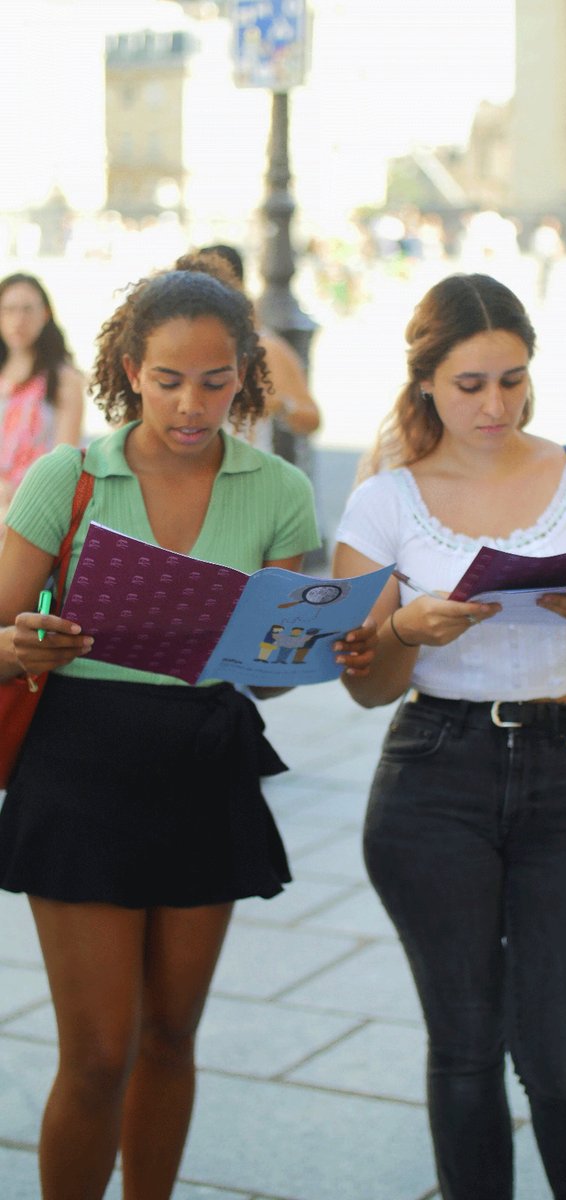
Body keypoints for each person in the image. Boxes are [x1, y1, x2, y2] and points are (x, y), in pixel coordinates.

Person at [0, 267, 375, 1200]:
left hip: (204, 758)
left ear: (245, 374)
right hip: (80, 764)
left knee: (171, 1036)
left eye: (215, 381)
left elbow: (271, 672)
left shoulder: (280, 490)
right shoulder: (68, 476)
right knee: (98, 1052)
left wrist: (323, 647)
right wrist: (22, 645)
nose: (190, 404)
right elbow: (0, 633)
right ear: (132, 370)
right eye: (168, 380)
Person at [332, 273, 566, 1200]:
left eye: (512, 380)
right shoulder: (384, 502)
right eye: (470, 384)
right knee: (464, 1047)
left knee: (561, 1052)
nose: (495, 404)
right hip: (434, 773)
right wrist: (406, 630)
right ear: (426, 382)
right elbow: (365, 687)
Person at [198, 244, 321, 452]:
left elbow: (311, 419)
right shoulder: (177, 346)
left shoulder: (265, 347)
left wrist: (281, 404)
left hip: (246, 466)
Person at [0, 272, 84, 535]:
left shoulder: (64, 379)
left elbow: (63, 462)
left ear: (45, 314)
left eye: (28, 309)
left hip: (33, 511)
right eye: (9, 310)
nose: (18, 320)